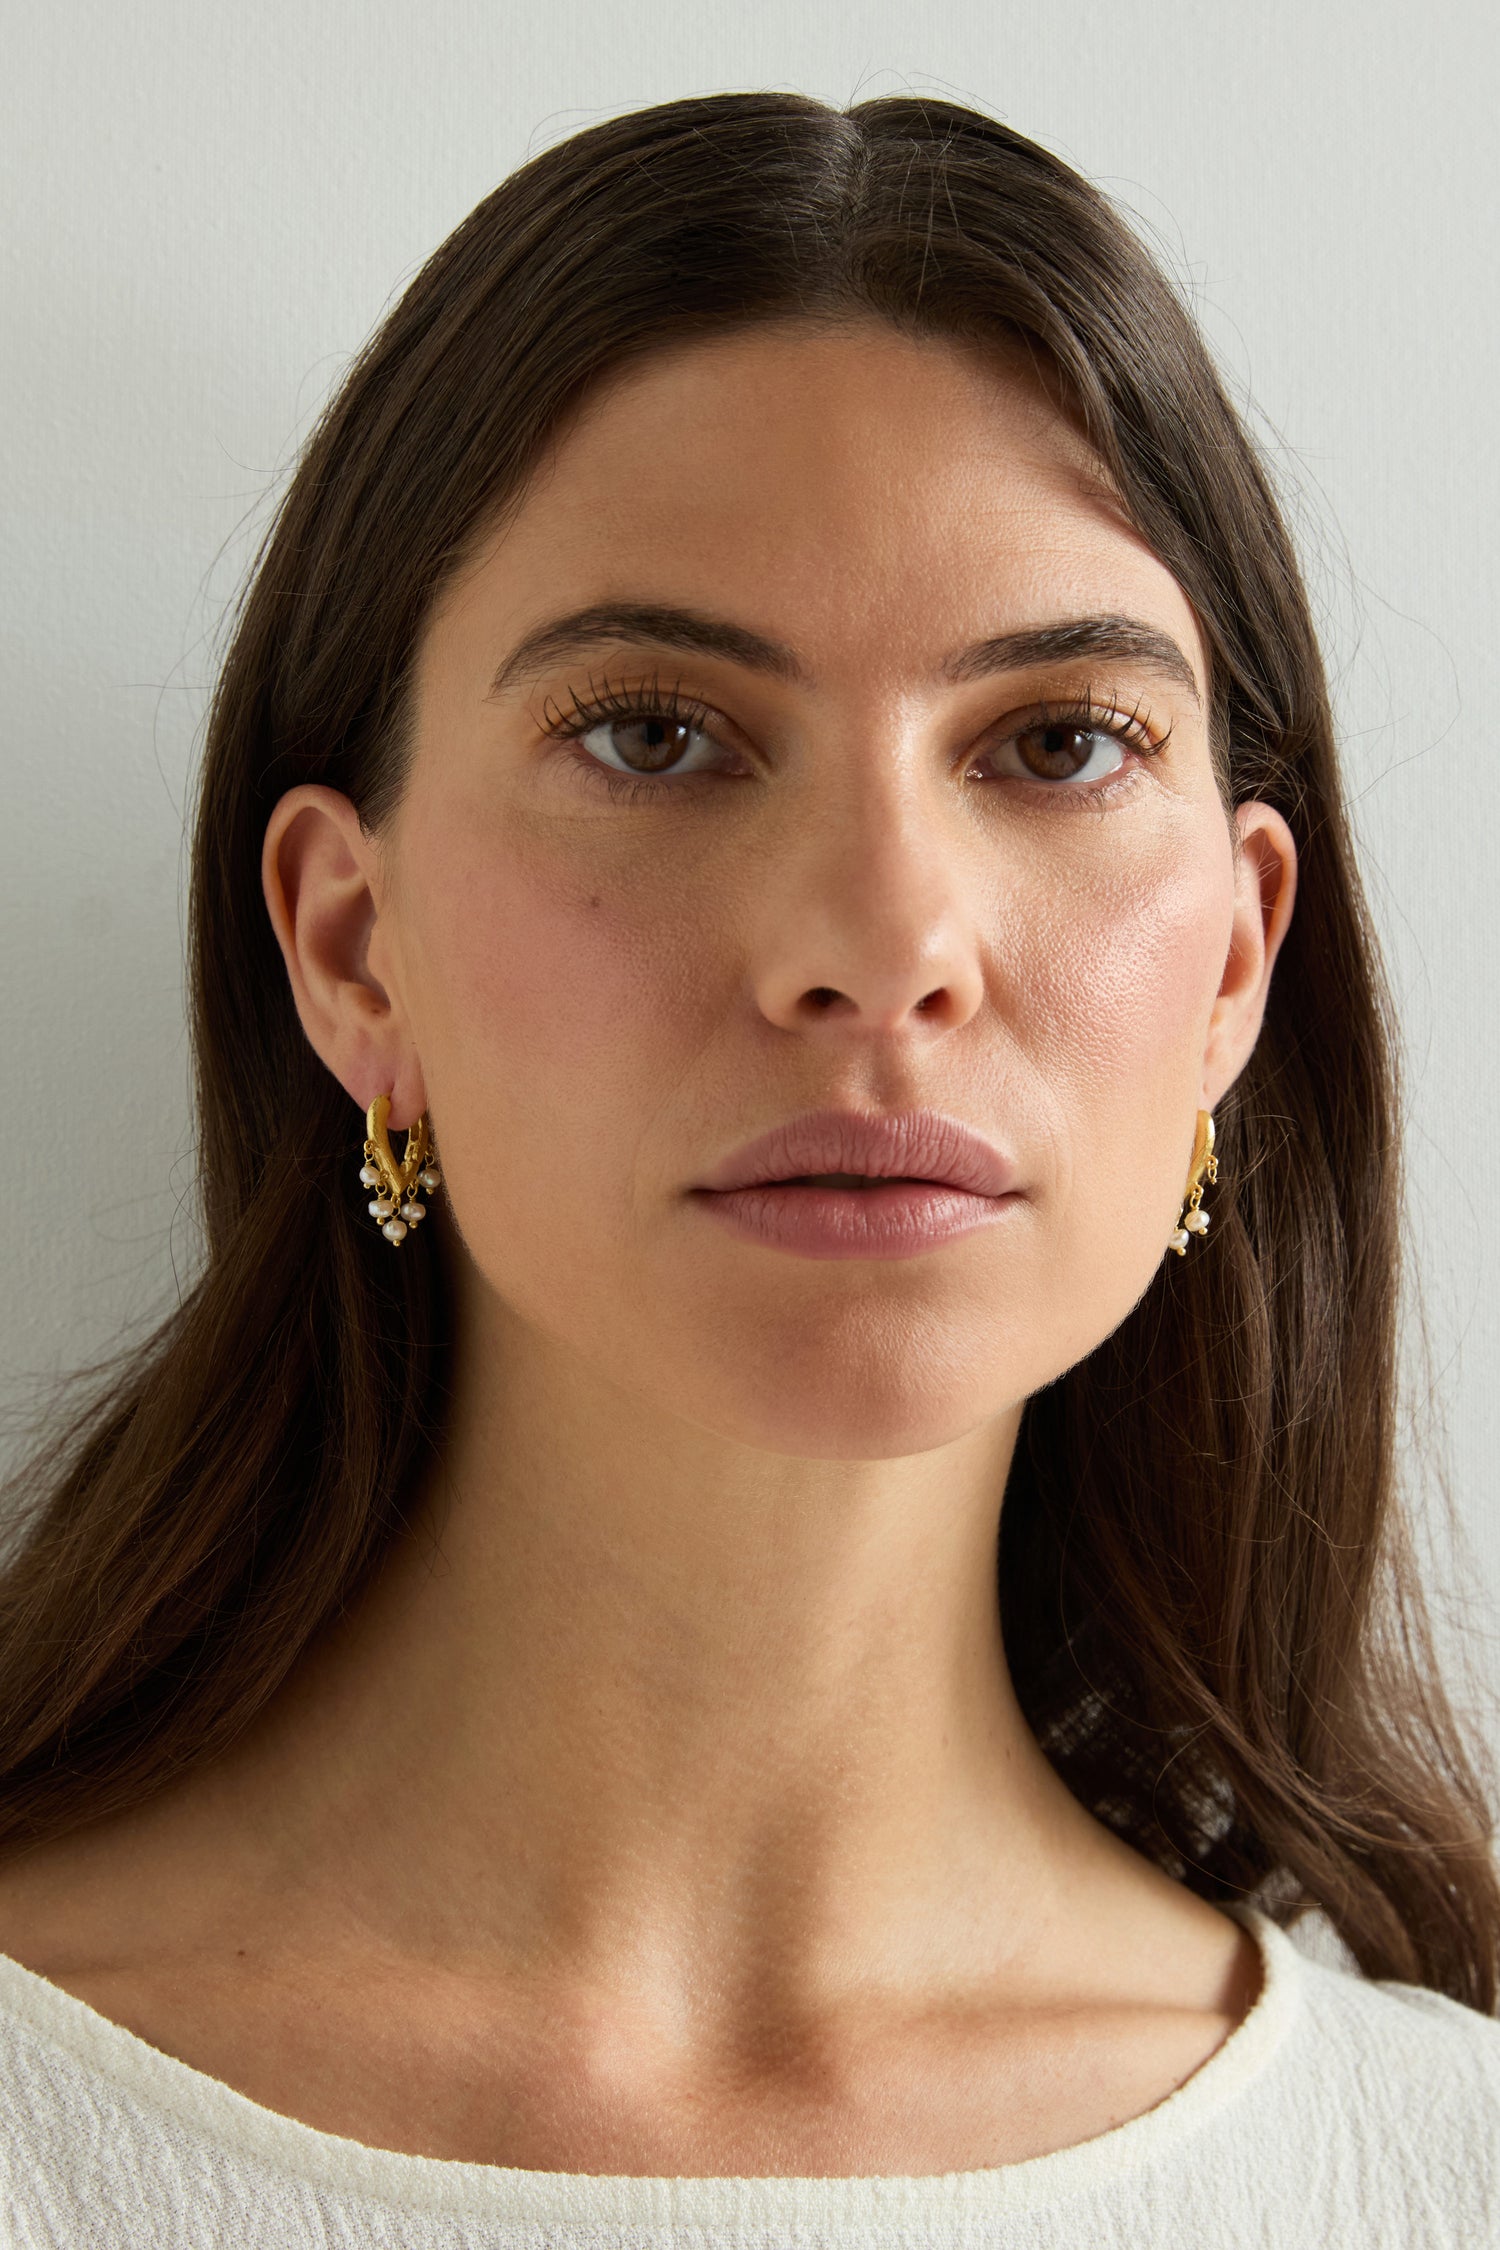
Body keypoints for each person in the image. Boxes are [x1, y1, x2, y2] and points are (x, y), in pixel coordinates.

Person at [0, 89, 1495, 2248]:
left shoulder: (1443, 2181)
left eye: (1060, 742)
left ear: (1238, 966)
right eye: (657, 734)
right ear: (352, 944)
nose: (881, 947)